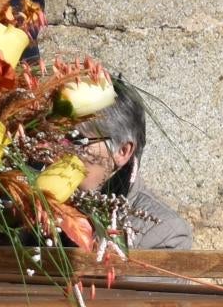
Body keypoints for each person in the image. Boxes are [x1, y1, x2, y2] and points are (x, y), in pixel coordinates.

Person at [80, 80, 195, 251]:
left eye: (77, 140)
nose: (58, 151)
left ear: (122, 151)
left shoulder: (164, 234)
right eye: (53, 137)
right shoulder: (33, 208)